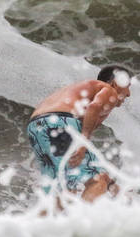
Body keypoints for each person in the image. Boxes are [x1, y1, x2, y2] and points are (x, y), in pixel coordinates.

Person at [26, 65, 132, 202]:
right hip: (61, 121)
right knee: (97, 181)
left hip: (35, 126)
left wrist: (111, 184)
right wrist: (83, 144)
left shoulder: (83, 90)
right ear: (115, 83)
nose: (129, 93)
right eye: (128, 86)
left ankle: (49, 220)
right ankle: (79, 221)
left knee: (62, 187)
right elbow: (93, 107)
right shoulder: (109, 90)